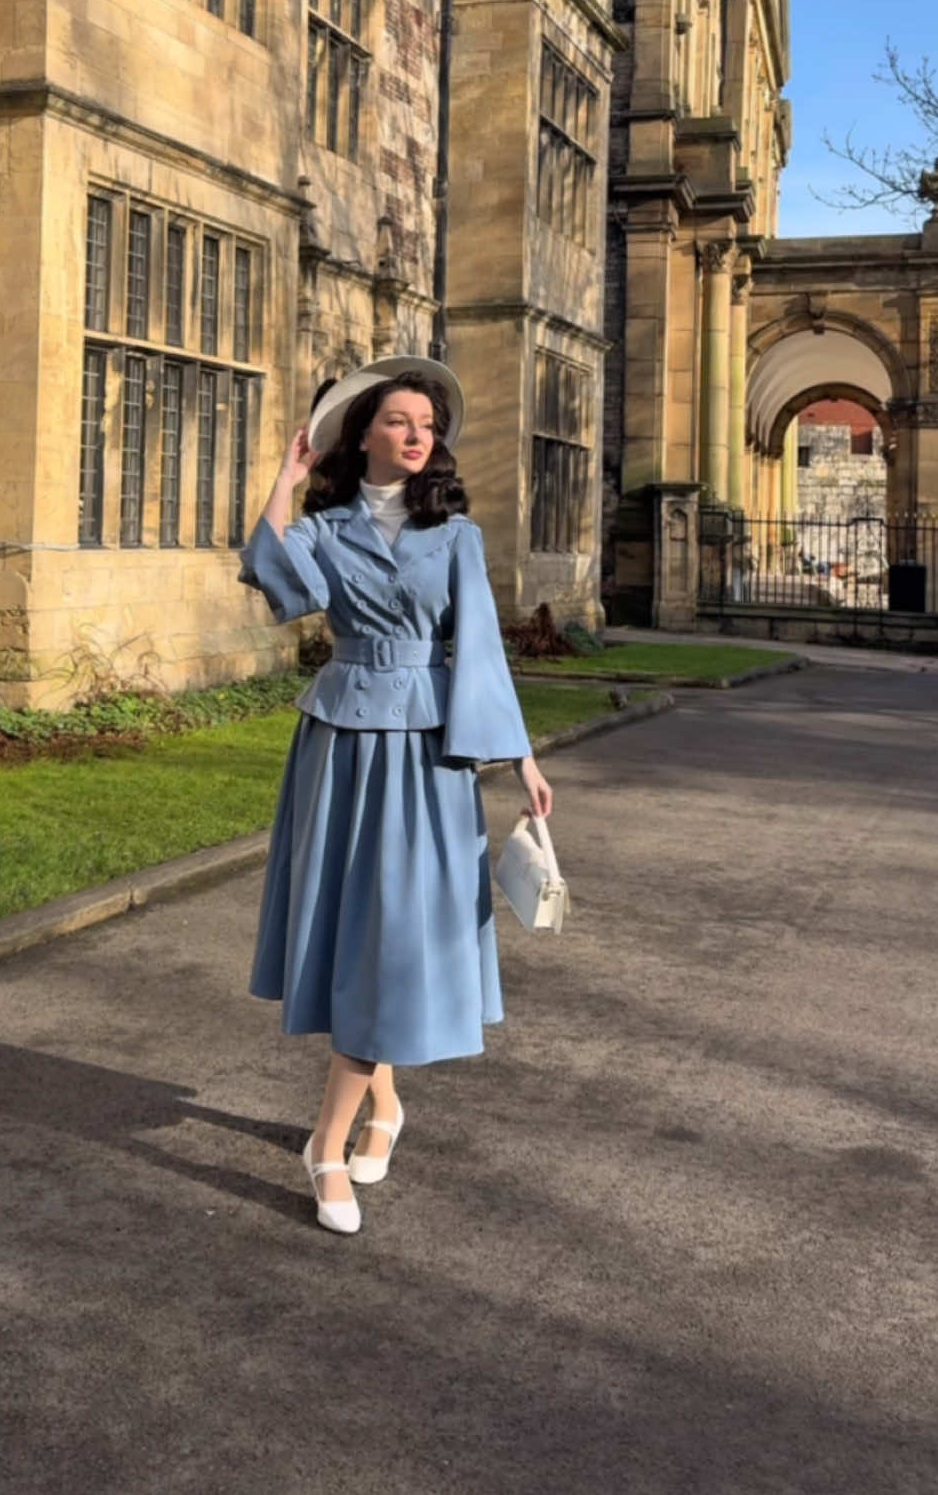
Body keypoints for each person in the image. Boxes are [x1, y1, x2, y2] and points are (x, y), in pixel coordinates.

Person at [238, 357, 553, 1235]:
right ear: (364, 433)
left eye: (428, 424)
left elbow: (480, 653)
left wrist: (519, 758)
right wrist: (285, 478)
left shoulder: (456, 536)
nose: (419, 436)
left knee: (398, 937)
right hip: (337, 749)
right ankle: (379, 1109)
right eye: (400, 421)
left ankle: (325, 1145)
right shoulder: (325, 528)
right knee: (355, 931)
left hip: (426, 756)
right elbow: (274, 582)